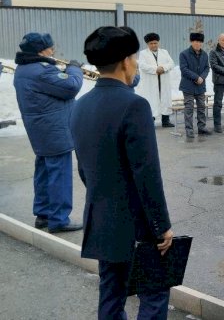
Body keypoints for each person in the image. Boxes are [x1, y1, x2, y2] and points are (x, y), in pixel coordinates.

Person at [71, 26, 174, 320]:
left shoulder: (80, 106)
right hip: (138, 222)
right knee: (154, 293)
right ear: (126, 61)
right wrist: (161, 225)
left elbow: (84, 169)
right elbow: (146, 173)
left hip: (101, 218)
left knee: (112, 295)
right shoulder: (134, 105)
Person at [13, 32, 84, 233]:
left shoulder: (24, 68)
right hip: (54, 130)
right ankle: (60, 219)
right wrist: (74, 69)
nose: (53, 51)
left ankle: (43, 214)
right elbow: (71, 86)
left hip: (40, 129)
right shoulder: (41, 70)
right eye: (51, 48)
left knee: (43, 171)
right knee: (60, 174)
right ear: (41, 50)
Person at [135, 32, 175, 128]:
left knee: (165, 99)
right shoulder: (143, 53)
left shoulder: (164, 52)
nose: (153, 45)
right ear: (147, 44)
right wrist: (155, 69)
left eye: (155, 43)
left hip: (163, 81)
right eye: (151, 43)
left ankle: (166, 121)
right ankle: (150, 121)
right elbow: (143, 66)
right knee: (151, 100)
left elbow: (171, 63)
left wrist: (163, 68)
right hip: (151, 82)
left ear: (158, 43)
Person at [179, 32, 211, 138]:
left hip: (200, 86)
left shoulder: (205, 54)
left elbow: (207, 68)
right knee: (189, 108)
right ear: (191, 42)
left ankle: (202, 128)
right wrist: (196, 77)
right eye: (195, 41)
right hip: (188, 86)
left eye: (200, 42)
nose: (198, 44)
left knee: (201, 107)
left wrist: (202, 77)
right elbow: (184, 69)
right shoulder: (184, 54)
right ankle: (189, 129)